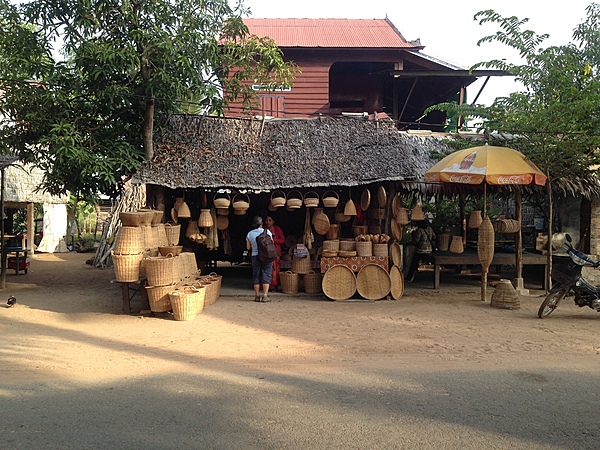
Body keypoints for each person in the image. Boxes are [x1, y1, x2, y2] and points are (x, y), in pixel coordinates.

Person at [246, 215, 274, 302]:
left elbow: (248, 248)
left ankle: (257, 296)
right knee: (266, 274)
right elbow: (271, 243)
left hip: (255, 256)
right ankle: (265, 296)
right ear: (261, 224)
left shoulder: (249, 234)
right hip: (266, 257)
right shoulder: (267, 232)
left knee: (256, 275)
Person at [265, 215, 285, 292]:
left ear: (273, 221)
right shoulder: (264, 229)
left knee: (275, 270)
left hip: (276, 253)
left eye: (270, 220)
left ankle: (275, 286)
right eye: (267, 220)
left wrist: (273, 241)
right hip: (266, 253)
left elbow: (282, 240)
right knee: (267, 269)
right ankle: (267, 285)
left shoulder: (277, 229)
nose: (268, 222)